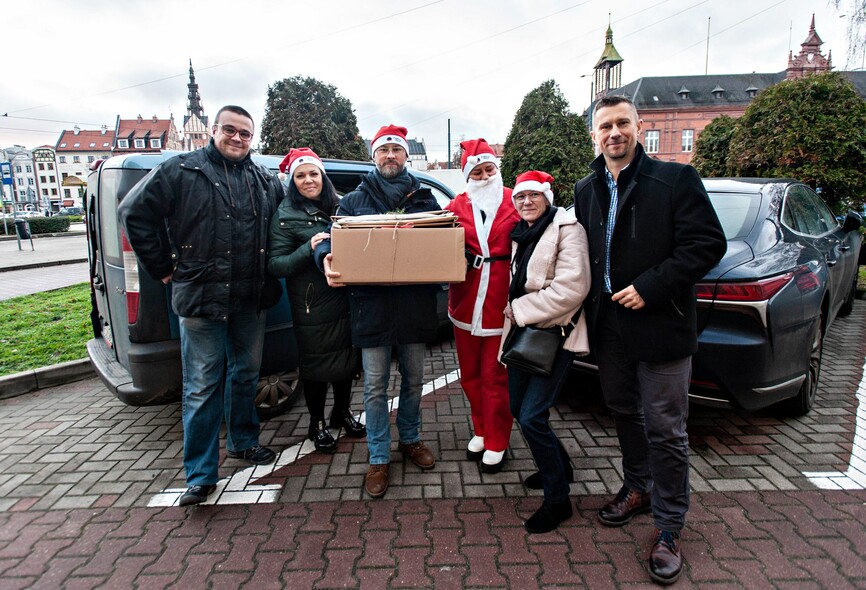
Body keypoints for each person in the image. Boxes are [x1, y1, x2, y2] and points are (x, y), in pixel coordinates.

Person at [573, 95, 726, 584]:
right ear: (593, 135)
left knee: (666, 427)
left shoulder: (675, 179)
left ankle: (668, 525)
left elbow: (706, 244)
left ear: (640, 127)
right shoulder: (585, 189)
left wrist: (651, 287)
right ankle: (637, 487)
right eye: (605, 126)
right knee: (623, 410)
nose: (614, 133)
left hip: (661, 324)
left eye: (623, 123)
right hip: (609, 327)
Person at [118, 105, 283, 507]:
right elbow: (133, 213)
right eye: (230, 130)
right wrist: (162, 267)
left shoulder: (264, 180)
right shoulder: (181, 170)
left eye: (246, 133)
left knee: (245, 375)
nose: (238, 138)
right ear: (213, 130)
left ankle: (244, 443)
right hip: (201, 302)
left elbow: (291, 216)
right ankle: (201, 473)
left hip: (250, 299)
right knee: (201, 388)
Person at [315, 124, 439, 498]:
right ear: (374, 156)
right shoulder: (354, 201)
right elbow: (327, 237)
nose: (390, 156)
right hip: (372, 308)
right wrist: (325, 257)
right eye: (383, 150)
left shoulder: (425, 199)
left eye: (396, 150)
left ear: (405, 156)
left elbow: (447, 237)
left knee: (414, 381)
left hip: (414, 307)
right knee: (374, 386)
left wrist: (460, 256)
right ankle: (378, 455)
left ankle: (411, 438)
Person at [503, 170, 590, 534]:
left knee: (533, 416)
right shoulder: (522, 233)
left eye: (532, 196)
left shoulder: (569, 230)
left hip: (554, 337)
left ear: (547, 197)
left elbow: (573, 288)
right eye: (520, 197)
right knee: (518, 410)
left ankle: (559, 500)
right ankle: (562, 465)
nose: (525, 202)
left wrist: (521, 309)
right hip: (525, 336)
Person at [268, 148, 365, 454]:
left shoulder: (340, 206)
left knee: (347, 361)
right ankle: (316, 423)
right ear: (292, 181)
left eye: (313, 173)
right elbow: (276, 265)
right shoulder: (285, 215)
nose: (308, 180)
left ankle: (343, 412)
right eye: (300, 175)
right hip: (312, 304)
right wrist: (306, 248)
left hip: (343, 296)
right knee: (317, 367)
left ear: (322, 176)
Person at [443, 138, 520, 473]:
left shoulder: (515, 201)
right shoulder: (456, 206)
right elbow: (428, 235)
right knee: (470, 375)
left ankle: (498, 439)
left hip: (501, 300)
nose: (485, 175)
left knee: (494, 376)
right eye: (477, 171)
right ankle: (481, 428)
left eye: (490, 169)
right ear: (467, 176)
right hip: (465, 299)